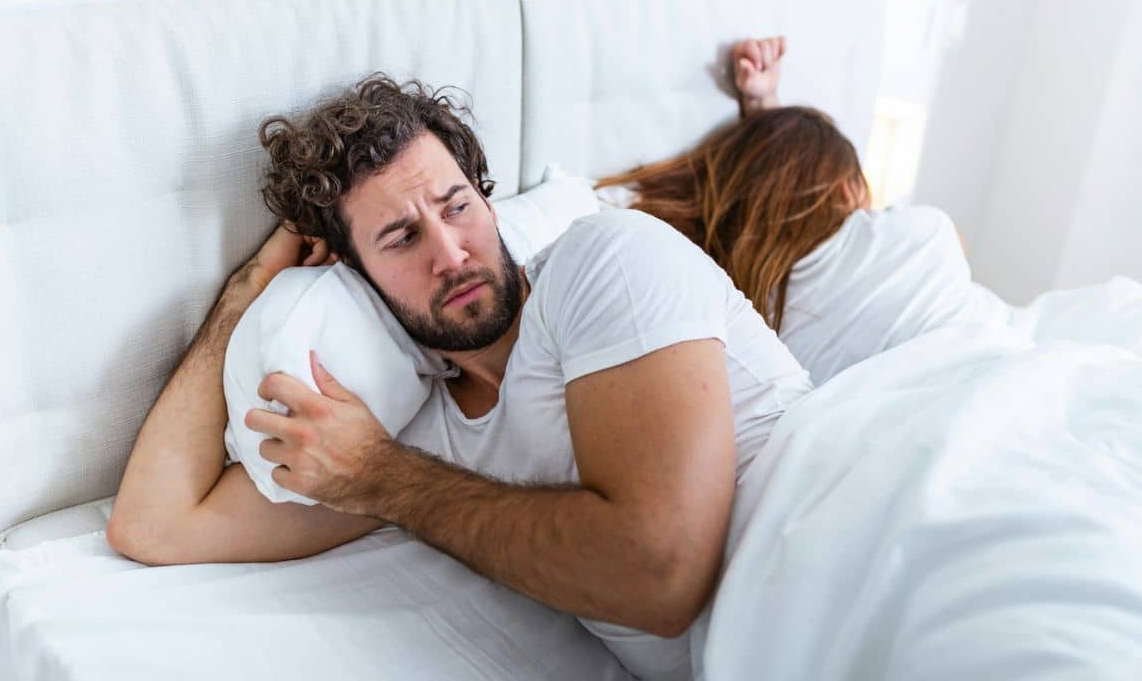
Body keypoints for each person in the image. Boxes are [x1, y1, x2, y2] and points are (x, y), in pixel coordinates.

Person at [107, 74, 812, 679]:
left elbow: (660, 578)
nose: (451, 253)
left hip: (854, 546)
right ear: (353, 276)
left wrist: (380, 477)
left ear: (485, 198)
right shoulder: (412, 437)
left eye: (457, 207)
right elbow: (155, 524)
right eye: (402, 238)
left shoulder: (606, 262)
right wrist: (245, 294)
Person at [598, 37, 1012, 386]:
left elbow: (779, 191)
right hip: (998, 374)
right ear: (849, 188)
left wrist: (767, 116)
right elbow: (959, 246)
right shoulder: (923, 232)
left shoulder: (759, 319)